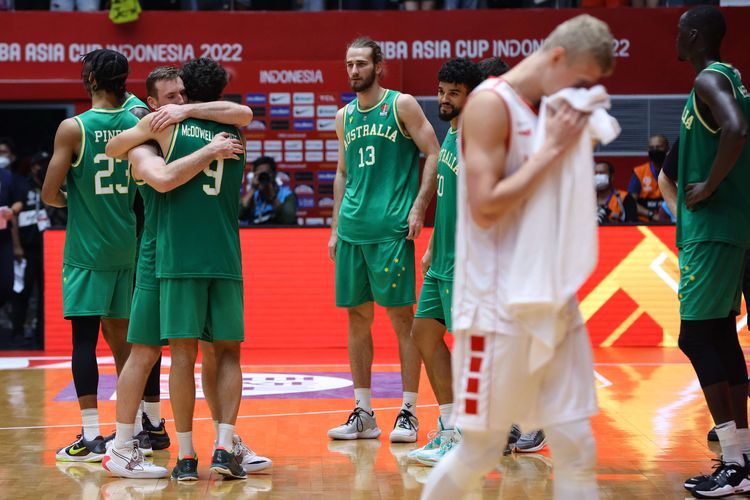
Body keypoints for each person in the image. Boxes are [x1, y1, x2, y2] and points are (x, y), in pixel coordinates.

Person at [421, 14, 614, 500]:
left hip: (546, 300)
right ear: (556, 59)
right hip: (494, 310)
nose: (580, 91)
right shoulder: (489, 104)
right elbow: (485, 207)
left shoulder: (534, 113)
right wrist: (551, 152)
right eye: (581, 78)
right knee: (480, 450)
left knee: (577, 445)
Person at [103, 64, 270, 479]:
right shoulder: (197, 131)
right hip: (163, 254)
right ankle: (125, 446)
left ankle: (220, 443)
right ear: (152, 103)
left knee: (202, 353)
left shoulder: (182, 125)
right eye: (170, 98)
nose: (177, 102)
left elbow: (115, 147)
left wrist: (180, 120)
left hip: (184, 252)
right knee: (149, 352)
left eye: (182, 95)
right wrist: (206, 148)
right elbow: (146, 169)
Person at [327, 37, 440, 443]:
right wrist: (335, 224)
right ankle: (364, 412)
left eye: (360, 63)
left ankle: (408, 410)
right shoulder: (344, 116)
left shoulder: (401, 104)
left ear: (378, 65)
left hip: (391, 229)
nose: (354, 70)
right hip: (353, 231)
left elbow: (434, 152)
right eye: (349, 64)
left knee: (402, 320)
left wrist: (418, 207)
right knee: (357, 320)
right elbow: (342, 172)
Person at [41, 49, 144, 462]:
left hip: (87, 251)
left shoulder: (73, 128)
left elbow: (50, 193)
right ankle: (131, 433)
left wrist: (76, 202)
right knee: (126, 344)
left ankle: (89, 436)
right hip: (128, 247)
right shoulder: (137, 122)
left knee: (84, 342)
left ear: (89, 79)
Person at [671, 7, 750, 497]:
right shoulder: (730, 77)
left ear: (695, 35)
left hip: (713, 231)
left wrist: (709, 185)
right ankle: (741, 456)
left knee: (697, 337)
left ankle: (735, 461)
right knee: (719, 336)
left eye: (680, 30)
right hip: (726, 230)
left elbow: (737, 129)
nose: (675, 37)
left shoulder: (708, 79)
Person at [407, 58, 481, 467]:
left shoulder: (476, 137)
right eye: (441, 90)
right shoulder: (450, 134)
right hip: (443, 260)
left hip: (466, 264)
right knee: (423, 334)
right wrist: (434, 244)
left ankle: (477, 432)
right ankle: (450, 427)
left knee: (472, 351)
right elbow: (450, 202)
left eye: (454, 92)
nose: (445, 99)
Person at [10, 152, 50, 349]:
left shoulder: (53, 182)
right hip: (27, 248)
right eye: (38, 165)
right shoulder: (22, 186)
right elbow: (14, 216)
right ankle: (17, 333)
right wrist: (17, 245)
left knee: (46, 294)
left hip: (49, 248)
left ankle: (41, 335)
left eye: (45, 164)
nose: (41, 168)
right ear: (32, 166)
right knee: (23, 291)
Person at [240, 156, 297, 225]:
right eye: (260, 174)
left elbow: (288, 220)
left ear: (274, 174)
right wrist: (253, 189)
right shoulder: (253, 195)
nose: (263, 177)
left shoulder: (286, 195)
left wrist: (272, 197)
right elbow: (238, 214)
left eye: (266, 174)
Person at [627, 134, 669, 222]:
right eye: (652, 148)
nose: (655, 150)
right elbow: (631, 203)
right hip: (645, 222)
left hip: (671, 222)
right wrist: (651, 215)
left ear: (667, 148)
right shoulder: (639, 172)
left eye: (658, 147)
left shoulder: (676, 170)